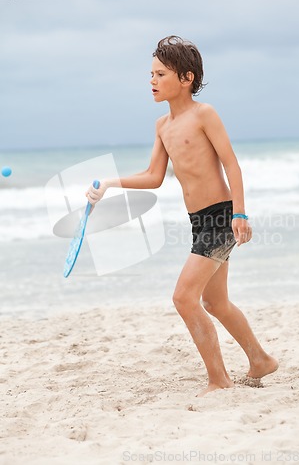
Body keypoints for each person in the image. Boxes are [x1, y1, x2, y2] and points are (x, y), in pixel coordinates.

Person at [86, 35, 278, 396]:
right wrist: (110, 183)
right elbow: (154, 177)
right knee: (215, 302)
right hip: (198, 221)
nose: (152, 81)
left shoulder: (204, 115)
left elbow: (231, 164)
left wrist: (240, 212)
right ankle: (261, 361)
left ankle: (219, 380)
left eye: (160, 74)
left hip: (221, 216)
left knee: (184, 297)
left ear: (186, 78)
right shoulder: (162, 126)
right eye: (151, 74)